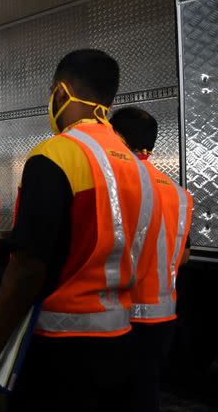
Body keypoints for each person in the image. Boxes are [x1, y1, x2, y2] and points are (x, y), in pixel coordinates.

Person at [0, 49, 159, 412]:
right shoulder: (138, 168)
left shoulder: (55, 155)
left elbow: (27, 269)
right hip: (121, 339)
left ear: (60, 93)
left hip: (58, 346)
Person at [110, 107, 193, 412]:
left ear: (117, 137)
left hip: (120, 316)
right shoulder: (179, 194)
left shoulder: (117, 185)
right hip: (163, 318)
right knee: (146, 395)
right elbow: (183, 255)